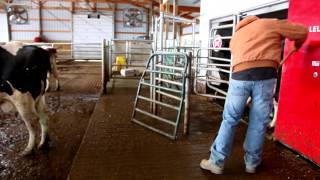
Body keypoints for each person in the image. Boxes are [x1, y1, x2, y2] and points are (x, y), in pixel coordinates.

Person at [200, 16, 308, 174]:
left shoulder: (237, 34)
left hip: (240, 77)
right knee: (258, 121)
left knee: (230, 119)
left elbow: (234, 51)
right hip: (266, 76)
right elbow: (301, 31)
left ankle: (216, 162)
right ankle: (252, 163)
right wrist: (298, 44)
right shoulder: (270, 23)